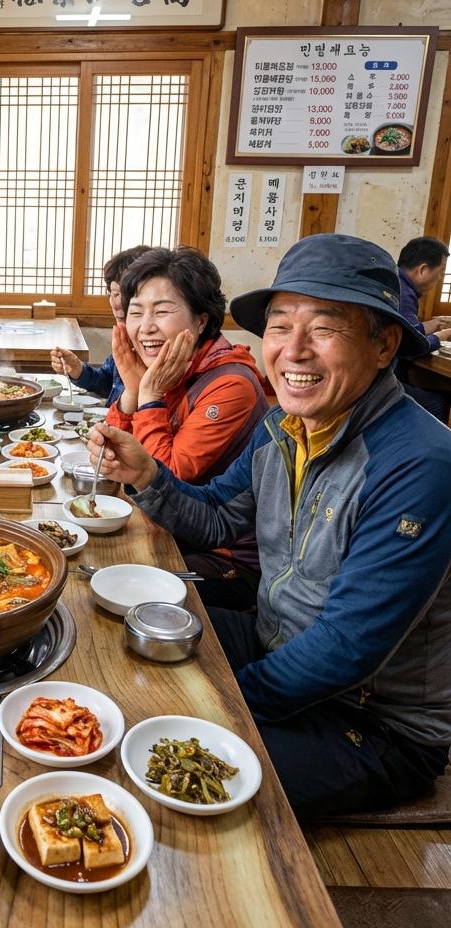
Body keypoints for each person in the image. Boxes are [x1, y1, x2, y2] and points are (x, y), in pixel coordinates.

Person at [87, 233, 451, 818]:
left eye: (324, 328)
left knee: (163, 782)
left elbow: (347, 647)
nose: (294, 350)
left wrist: (222, 704)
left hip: (373, 722)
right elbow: (215, 518)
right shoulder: (283, 427)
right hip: (273, 640)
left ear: (384, 345)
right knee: (115, 641)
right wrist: (148, 476)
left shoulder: (419, 464)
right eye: (281, 326)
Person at [107, 247, 269, 607]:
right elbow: (112, 459)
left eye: (162, 311)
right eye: (136, 312)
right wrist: (132, 392)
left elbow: (164, 479)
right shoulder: (170, 371)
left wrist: (150, 396)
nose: (145, 326)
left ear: (200, 321)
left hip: (223, 561)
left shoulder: (230, 384)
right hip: (168, 530)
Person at [50, 245, 152, 405]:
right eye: (112, 293)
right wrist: (78, 369)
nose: (116, 303)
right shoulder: (124, 335)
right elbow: (107, 383)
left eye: (121, 294)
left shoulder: (152, 345)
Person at [396, 235, 451, 421]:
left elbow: (406, 330)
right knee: (439, 402)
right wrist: (441, 336)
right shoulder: (404, 293)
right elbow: (410, 347)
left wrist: (436, 323)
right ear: (423, 270)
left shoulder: (396, 281)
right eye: (440, 271)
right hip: (379, 384)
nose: (441, 277)